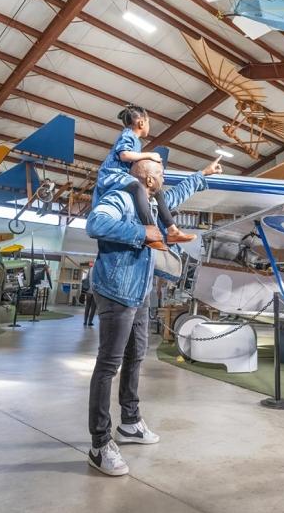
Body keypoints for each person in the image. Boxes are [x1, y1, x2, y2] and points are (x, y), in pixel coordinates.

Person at [85, 155, 222, 477]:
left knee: (135, 358)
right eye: (161, 173)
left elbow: (177, 195)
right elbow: (96, 223)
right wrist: (142, 232)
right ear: (148, 179)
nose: (165, 178)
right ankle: (99, 444)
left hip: (140, 292)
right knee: (109, 364)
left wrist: (202, 173)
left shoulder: (152, 201)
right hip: (116, 289)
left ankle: (130, 423)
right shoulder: (120, 197)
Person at [94, 104, 195, 251]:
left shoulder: (135, 140)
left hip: (123, 176)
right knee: (137, 186)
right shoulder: (128, 134)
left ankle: (172, 230)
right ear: (141, 123)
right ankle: (150, 230)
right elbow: (124, 155)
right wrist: (149, 155)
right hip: (112, 175)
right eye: (148, 122)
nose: (149, 126)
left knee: (156, 189)